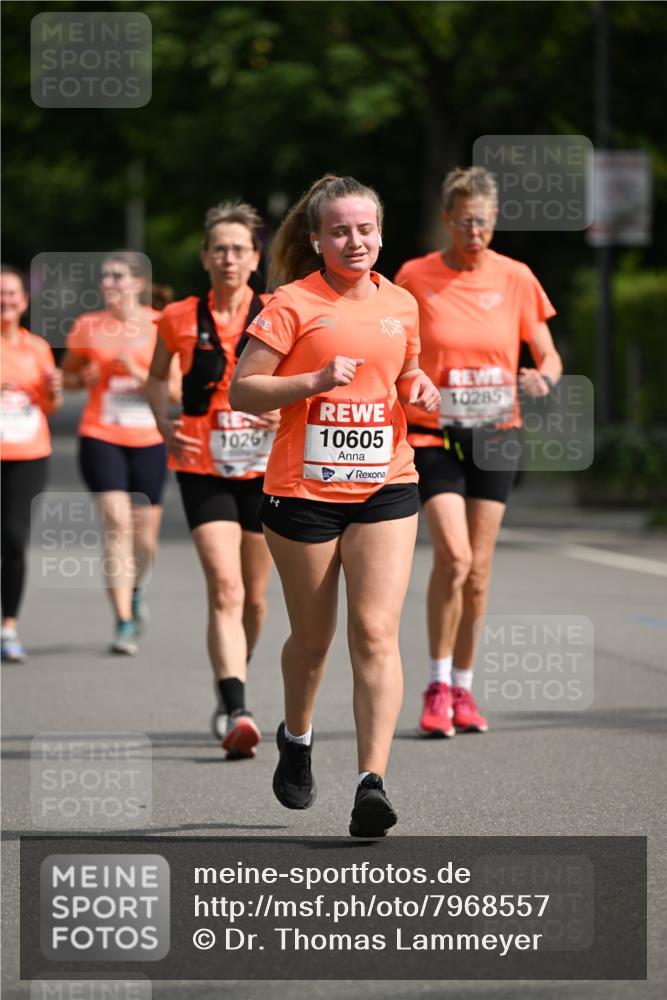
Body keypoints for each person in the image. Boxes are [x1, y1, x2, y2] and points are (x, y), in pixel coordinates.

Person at [229, 175, 440, 837]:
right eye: (340, 231)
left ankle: (370, 783)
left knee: (375, 633)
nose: (355, 241)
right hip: (303, 493)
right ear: (317, 239)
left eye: (365, 229)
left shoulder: (401, 303)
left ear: (380, 233)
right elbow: (243, 391)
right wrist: (313, 380)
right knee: (314, 641)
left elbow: (403, 372)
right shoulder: (291, 303)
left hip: (386, 483)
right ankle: (296, 736)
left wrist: (419, 384)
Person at [395, 166, 563, 738]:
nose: (475, 232)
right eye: (465, 221)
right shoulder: (415, 276)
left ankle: (463, 688)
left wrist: (543, 377)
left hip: (496, 432)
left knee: (479, 571)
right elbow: (395, 348)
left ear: (495, 221)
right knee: (454, 557)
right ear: (447, 219)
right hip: (433, 433)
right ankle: (436, 685)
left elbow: (548, 354)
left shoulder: (516, 277)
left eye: (484, 222)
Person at [146, 202, 275, 760]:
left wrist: (284, 412)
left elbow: (308, 382)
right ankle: (237, 707)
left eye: (239, 249)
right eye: (219, 249)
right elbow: (156, 378)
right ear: (204, 257)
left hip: (267, 469)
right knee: (226, 587)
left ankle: (233, 674)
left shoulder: (278, 313)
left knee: (255, 599)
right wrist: (164, 424)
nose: (228, 258)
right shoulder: (177, 316)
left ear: (255, 259)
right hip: (202, 466)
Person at [62, 251, 174, 655]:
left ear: (138, 283)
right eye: (105, 275)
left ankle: (136, 590)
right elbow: (67, 377)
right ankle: (124, 619)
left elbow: (177, 391)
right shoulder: (87, 326)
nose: (109, 282)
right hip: (101, 434)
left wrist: (140, 374)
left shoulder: (161, 325)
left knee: (145, 540)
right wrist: (83, 378)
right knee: (116, 525)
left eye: (117, 275)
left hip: (149, 439)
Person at [1, 265, 63, 662]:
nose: (5, 300)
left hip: (28, 454)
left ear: (24, 301)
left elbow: (50, 406)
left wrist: (53, 391)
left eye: (11, 293)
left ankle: (8, 626)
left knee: (12, 538)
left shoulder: (37, 347)